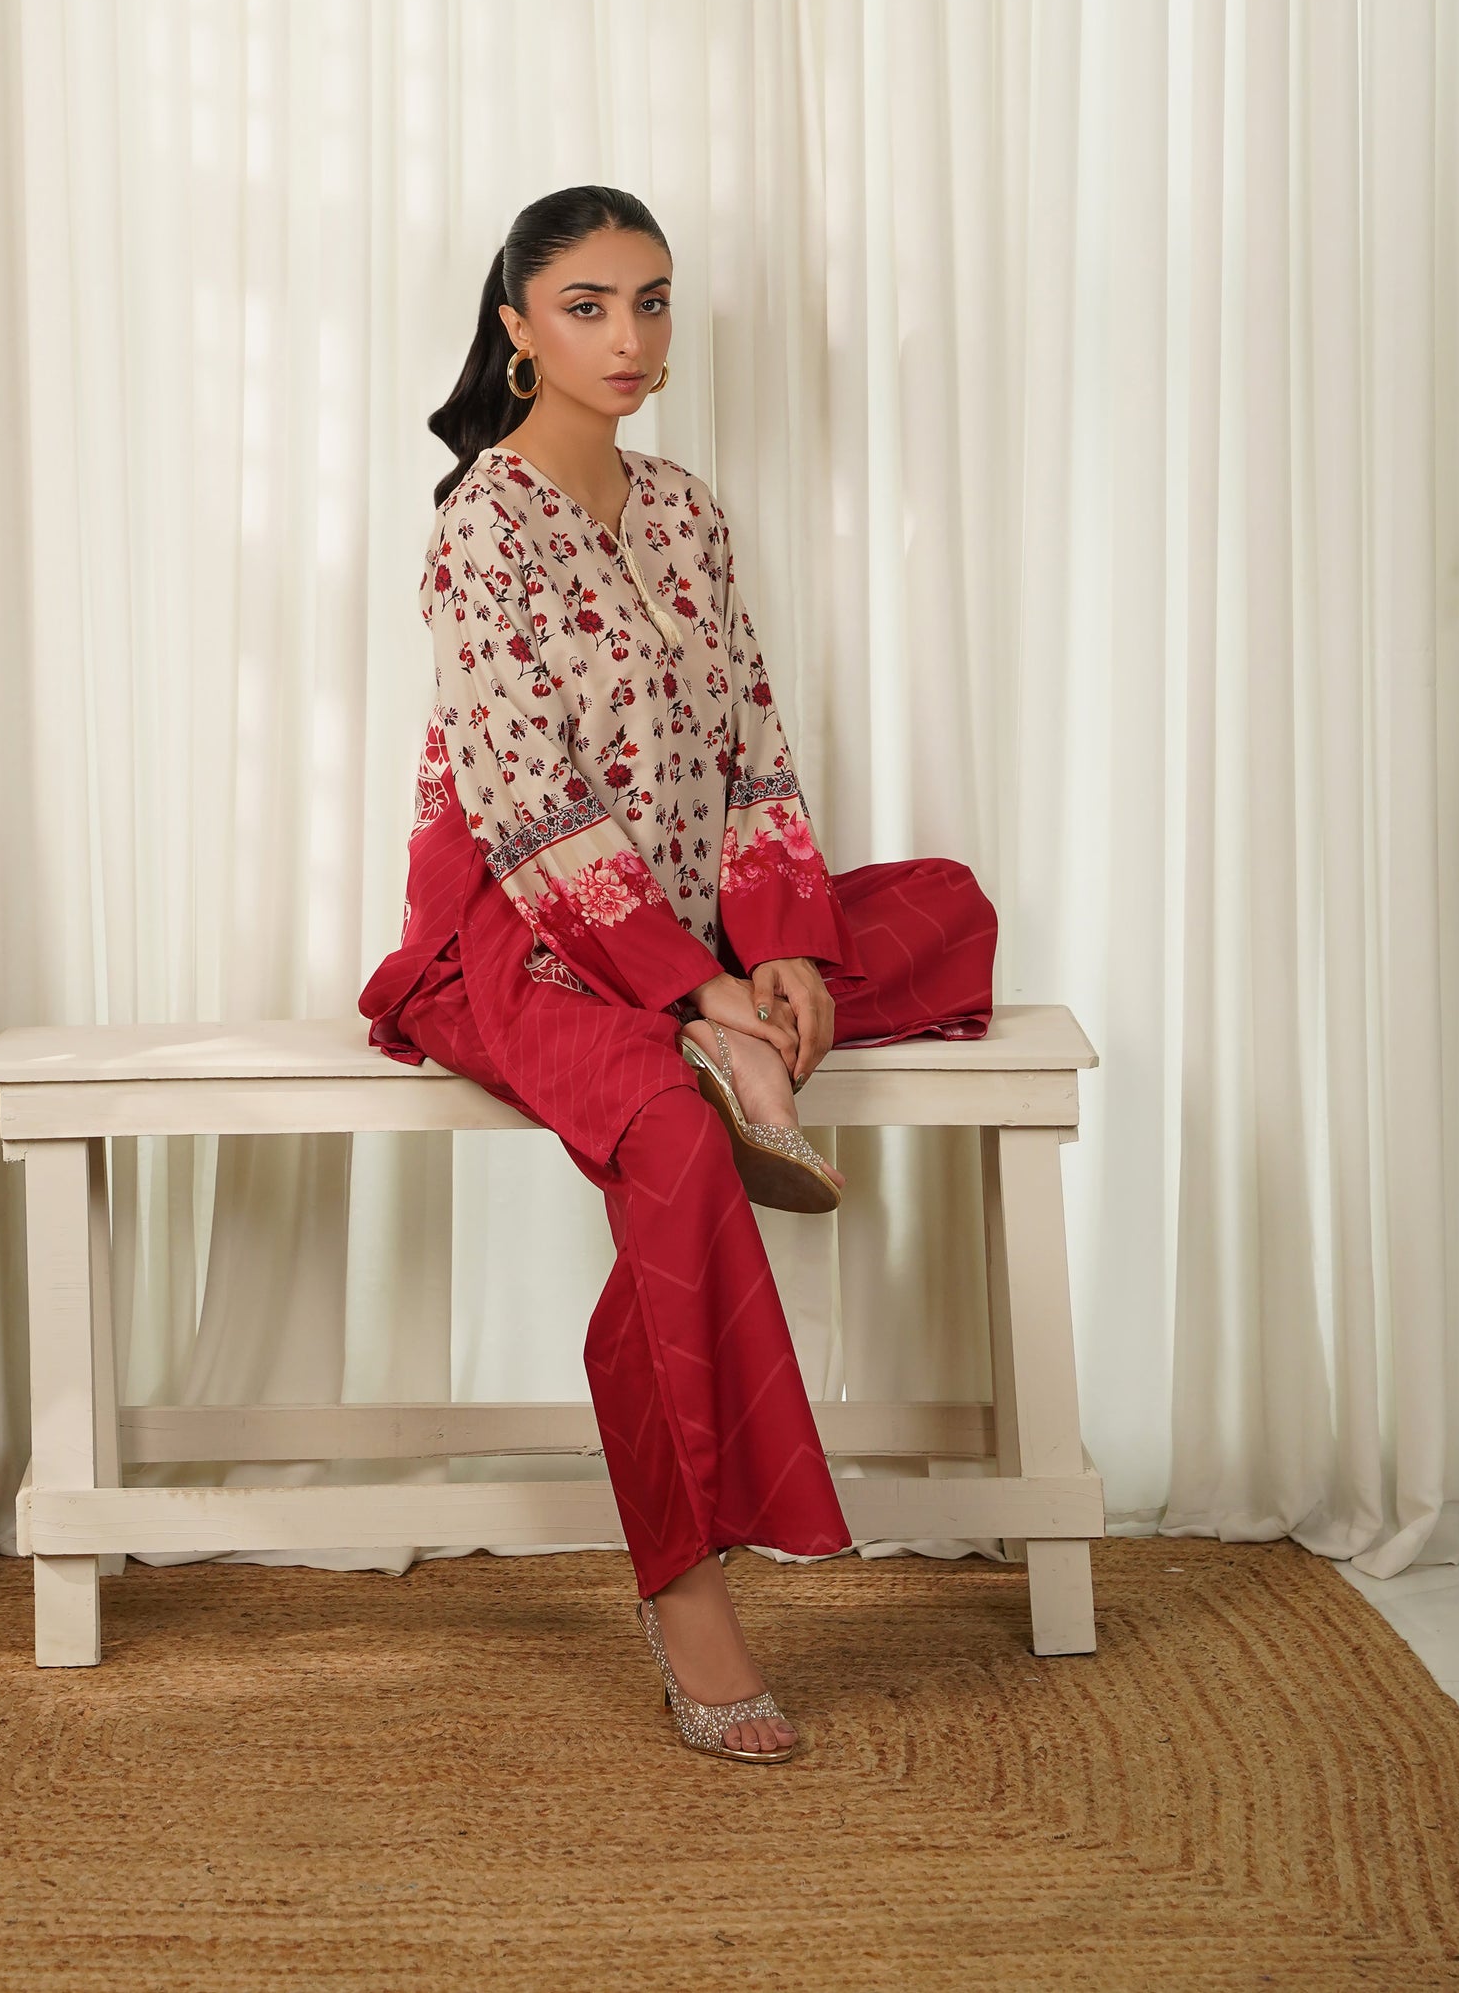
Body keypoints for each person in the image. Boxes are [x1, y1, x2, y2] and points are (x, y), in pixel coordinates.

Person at [358, 184, 997, 1762]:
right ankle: (689, 1590)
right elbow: (521, 799)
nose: (628, 337)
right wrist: (696, 988)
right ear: (516, 327)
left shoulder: (689, 512)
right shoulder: (480, 528)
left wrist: (776, 950)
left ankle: (746, 1046)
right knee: (669, 1148)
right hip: (523, 934)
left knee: (941, 906)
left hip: (701, 919)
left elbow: (753, 740)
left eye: (649, 301)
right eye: (586, 306)